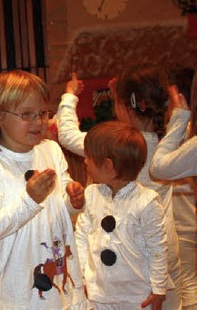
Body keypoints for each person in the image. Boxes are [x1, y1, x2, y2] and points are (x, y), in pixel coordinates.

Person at [57, 69, 182, 308]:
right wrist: (181, 115)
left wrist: (70, 96)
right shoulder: (169, 141)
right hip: (163, 245)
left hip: (137, 251)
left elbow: (66, 133)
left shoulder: (107, 147)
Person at [0, 70, 86, 309]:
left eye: (42, 113)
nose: (38, 121)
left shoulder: (50, 150)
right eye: (26, 114)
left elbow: (61, 208)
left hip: (60, 286)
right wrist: (30, 200)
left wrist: (73, 201)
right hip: (17, 294)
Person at [76, 121, 168, 309]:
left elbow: (157, 248)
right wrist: (82, 276)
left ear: (108, 166)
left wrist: (158, 290)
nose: (85, 161)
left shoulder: (146, 202)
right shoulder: (92, 194)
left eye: (89, 157)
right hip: (98, 294)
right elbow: (82, 236)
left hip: (136, 295)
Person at [150, 83, 197, 310]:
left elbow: (158, 167)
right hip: (182, 229)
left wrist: (180, 120)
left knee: (188, 284)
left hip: (184, 229)